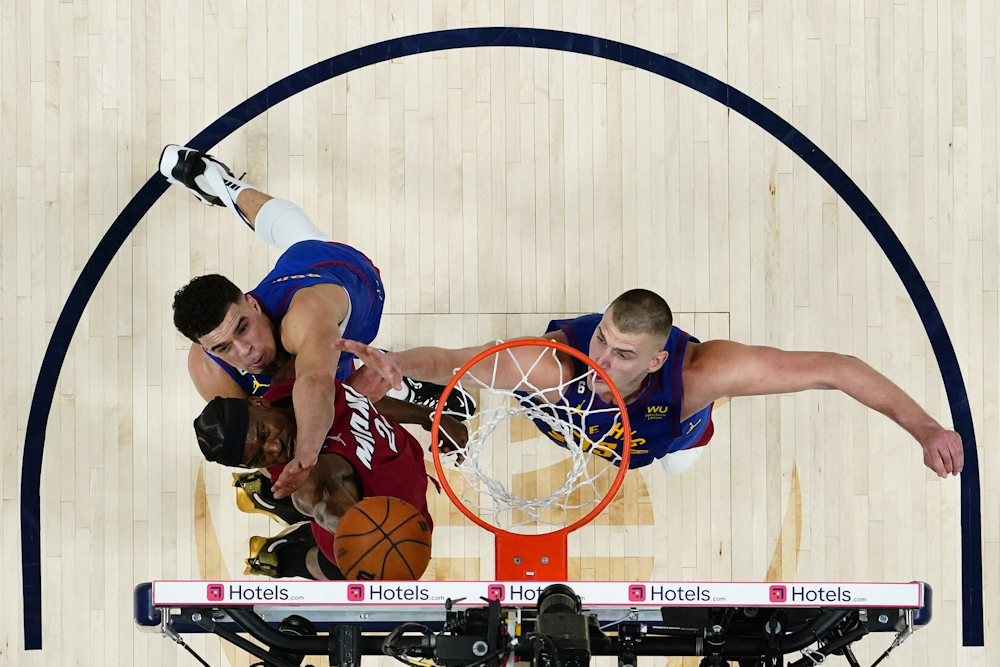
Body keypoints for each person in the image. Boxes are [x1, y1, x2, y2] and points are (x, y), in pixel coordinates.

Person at [350, 289, 965, 478]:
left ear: (655, 360)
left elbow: (836, 368)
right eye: (601, 340)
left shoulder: (700, 374)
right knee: (496, 376)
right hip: (572, 431)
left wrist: (927, 428)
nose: (603, 358)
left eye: (621, 353)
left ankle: (684, 451)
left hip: (664, 439)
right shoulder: (555, 368)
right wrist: (397, 363)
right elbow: (459, 357)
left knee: (680, 458)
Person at [162, 144, 475, 499]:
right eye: (223, 347)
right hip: (319, 347)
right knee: (298, 434)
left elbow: (319, 385)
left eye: (242, 327)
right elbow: (258, 451)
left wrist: (309, 455)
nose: (245, 350)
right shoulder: (208, 367)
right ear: (207, 348)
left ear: (253, 304)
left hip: (338, 273)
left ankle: (221, 183)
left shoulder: (303, 316)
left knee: (291, 230)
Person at [193, 370, 455, 580]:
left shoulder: (296, 386)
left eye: (263, 432)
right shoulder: (311, 480)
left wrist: (431, 416)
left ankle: (269, 498)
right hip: (366, 538)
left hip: (402, 462)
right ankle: (280, 559)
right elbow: (322, 500)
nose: (275, 448)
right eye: (260, 458)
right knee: (327, 568)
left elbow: (361, 403)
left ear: (260, 402)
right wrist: (366, 536)